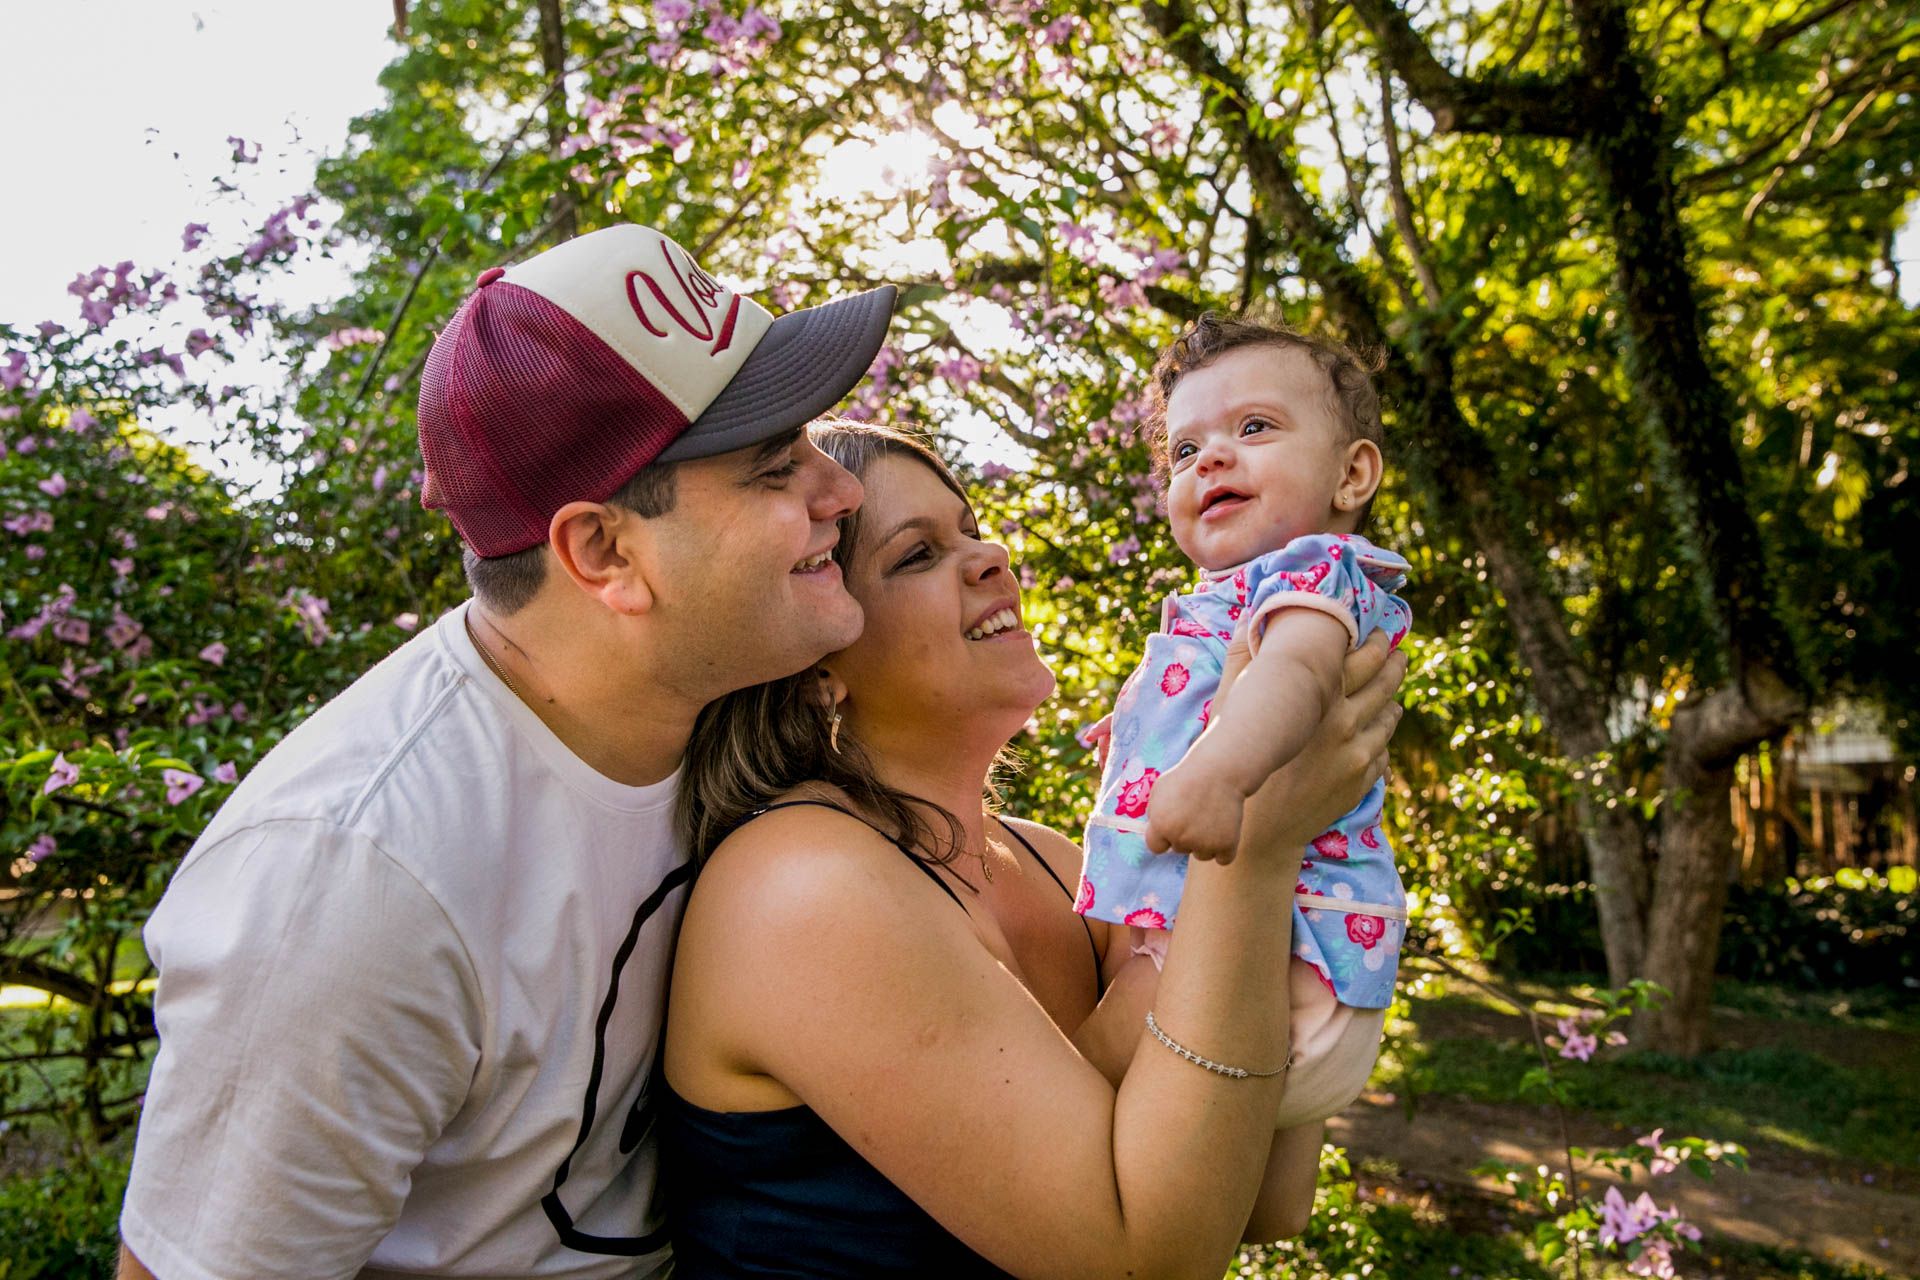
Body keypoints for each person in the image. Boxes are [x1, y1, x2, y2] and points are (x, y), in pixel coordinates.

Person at [116, 223, 895, 1280]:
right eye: (772, 470)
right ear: (605, 553)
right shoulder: (350, 886)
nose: (838, 491)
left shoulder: (736, 708)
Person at [661, 420, 1409, 1278]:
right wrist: (1258, 846)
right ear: (816, 661)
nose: (992, 556)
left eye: (973, 527)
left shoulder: (1059, 863)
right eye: (916, 555)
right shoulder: (802, 884)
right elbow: (1150, 1263)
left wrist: (1298, 791)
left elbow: (1264, 1199)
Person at [1078, 313, 1411, 1134]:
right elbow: (1212, 699)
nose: (1212, 458)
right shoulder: (1234, 599)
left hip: (1296, 952)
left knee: (1067, 1076)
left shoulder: (1318, 575)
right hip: (1257, 943)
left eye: (1254, 427)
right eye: (1186, 451)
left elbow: (1293, 681)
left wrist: (1218, 772)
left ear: (1352, 475)